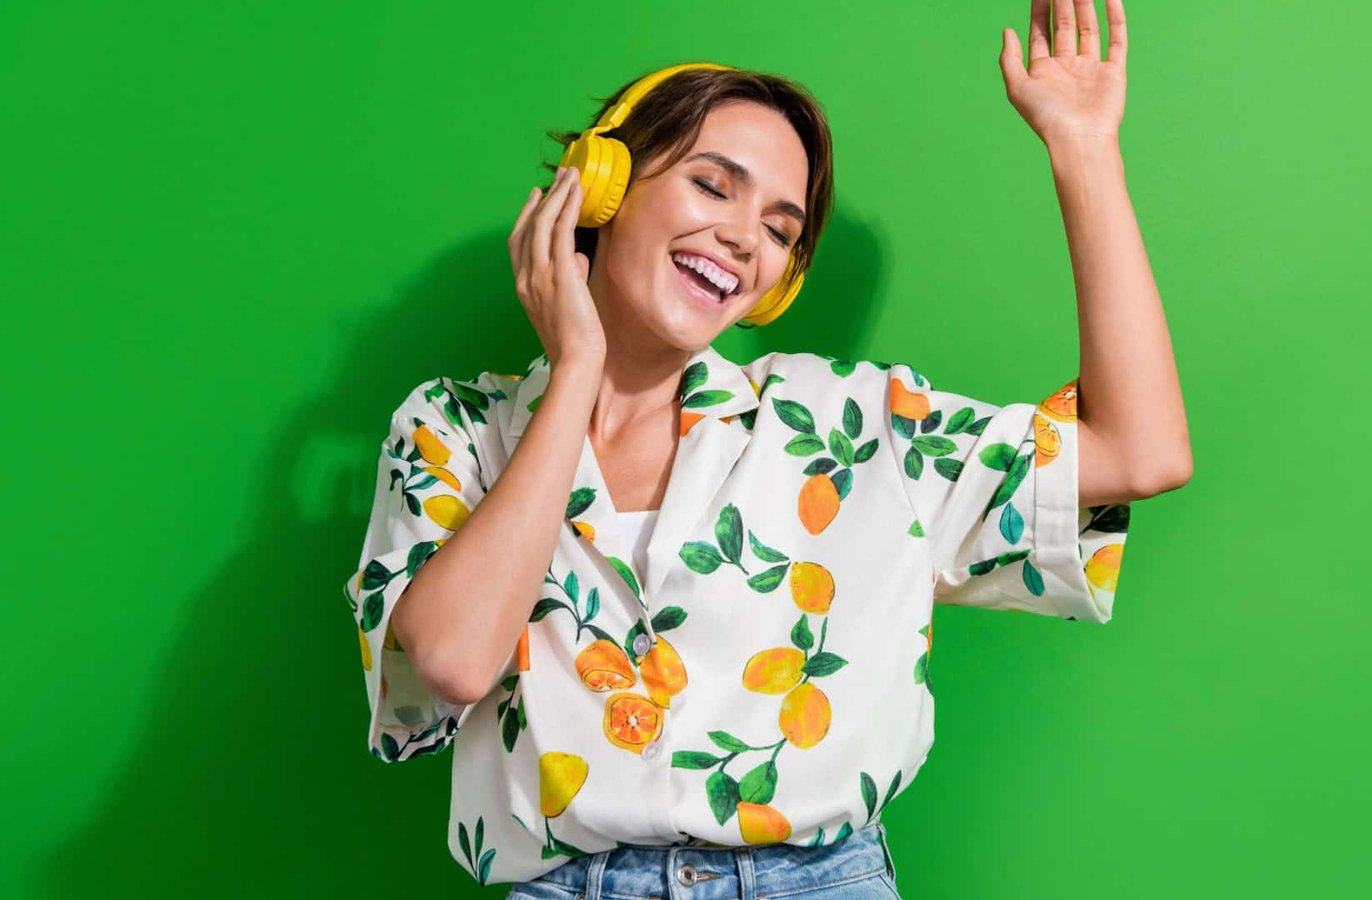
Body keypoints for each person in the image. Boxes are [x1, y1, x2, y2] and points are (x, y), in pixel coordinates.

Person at [344, 1, 1189, 895]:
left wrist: (1083, 148)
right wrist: (578, 368)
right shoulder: (456, 430)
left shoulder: (855, 426)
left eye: (781, 230)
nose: (746, 237)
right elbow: (451, 660)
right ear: (601, 186)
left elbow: (1141, 452)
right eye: (713, 185)